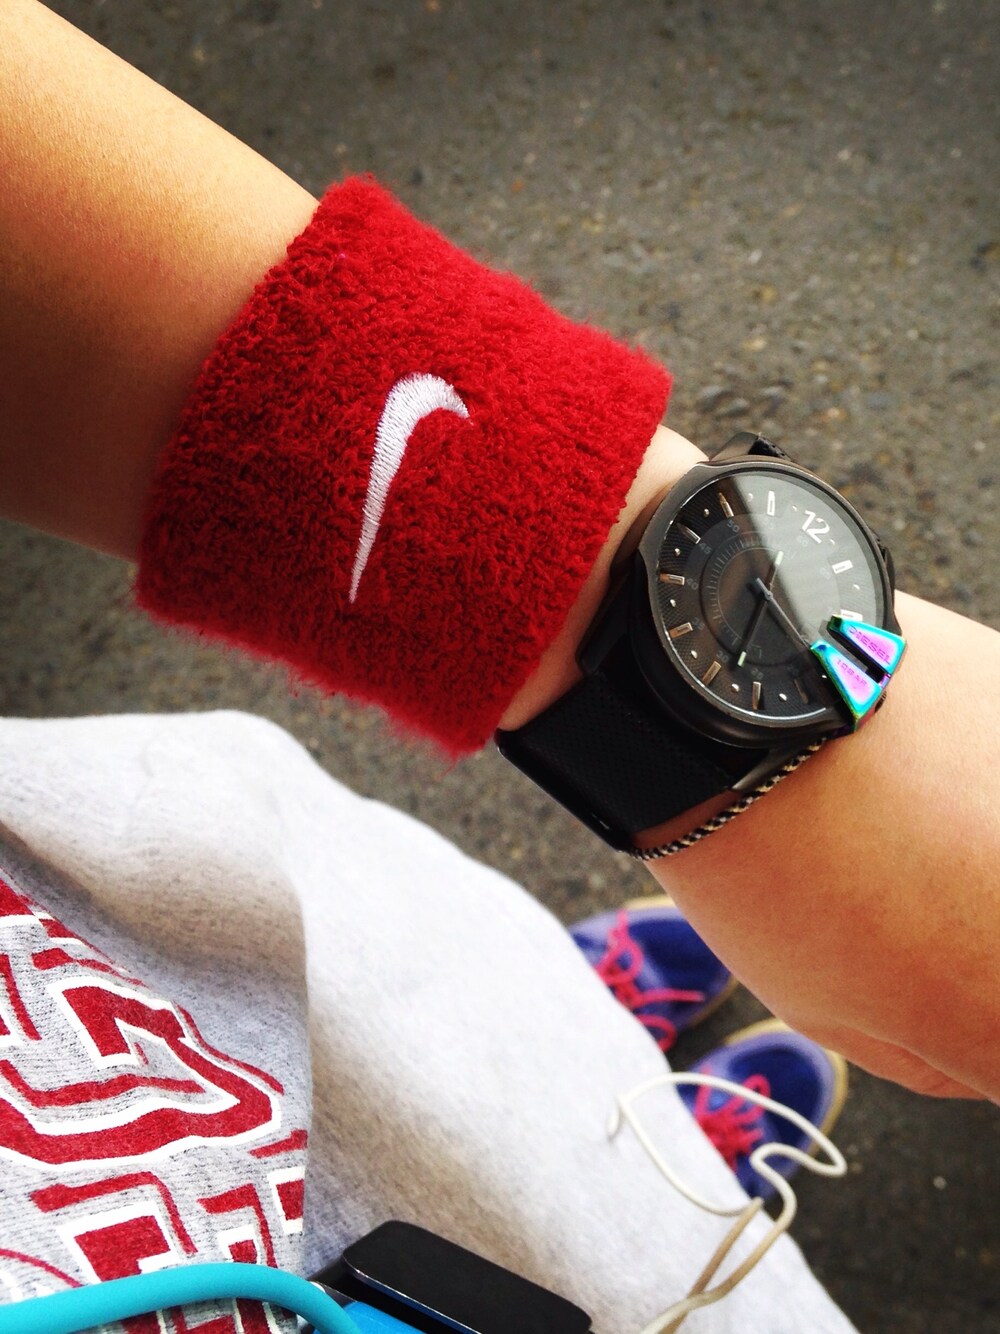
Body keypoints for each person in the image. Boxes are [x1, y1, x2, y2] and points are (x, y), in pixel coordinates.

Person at [0, 2, 997, 1331]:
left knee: (413, 981)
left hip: (128, 949)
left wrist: (596, 577)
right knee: (601, 1218)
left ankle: (563, 1064)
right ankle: (636, 1165)